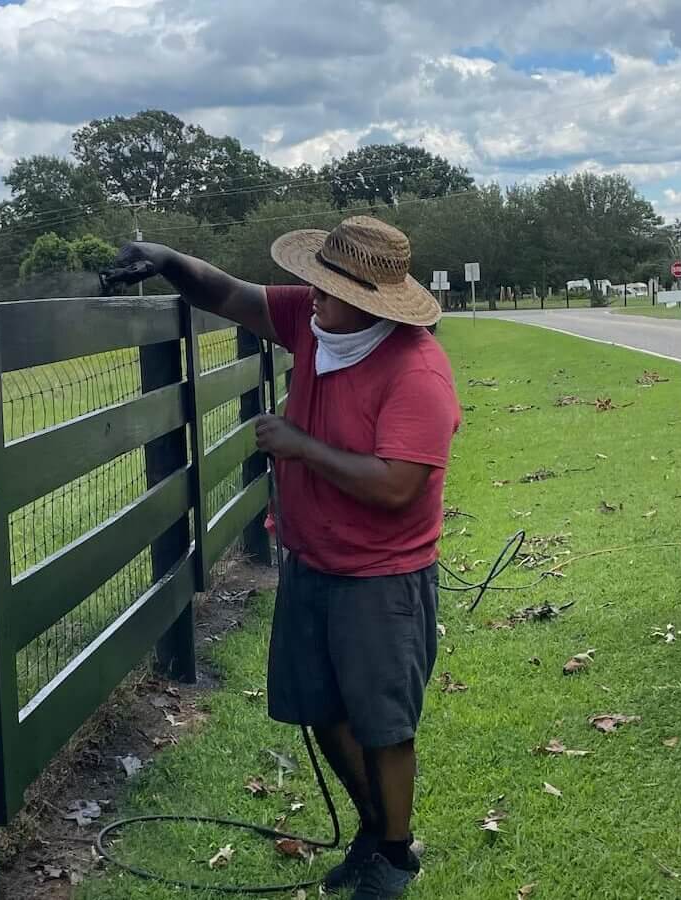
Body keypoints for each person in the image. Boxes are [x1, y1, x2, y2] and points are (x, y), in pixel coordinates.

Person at [109, 216, 460, 899]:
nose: (309, 292)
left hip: (381, 577)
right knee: (320, 706)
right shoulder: (317, 322)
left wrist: (300, 445)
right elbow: (234, 296)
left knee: (383, 725)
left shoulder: (417, 371)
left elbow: (397, 485)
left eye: (325, 286)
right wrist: (169, 259)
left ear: (369, 300)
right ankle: (375, 830)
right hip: (311, 562)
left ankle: (394, 856)